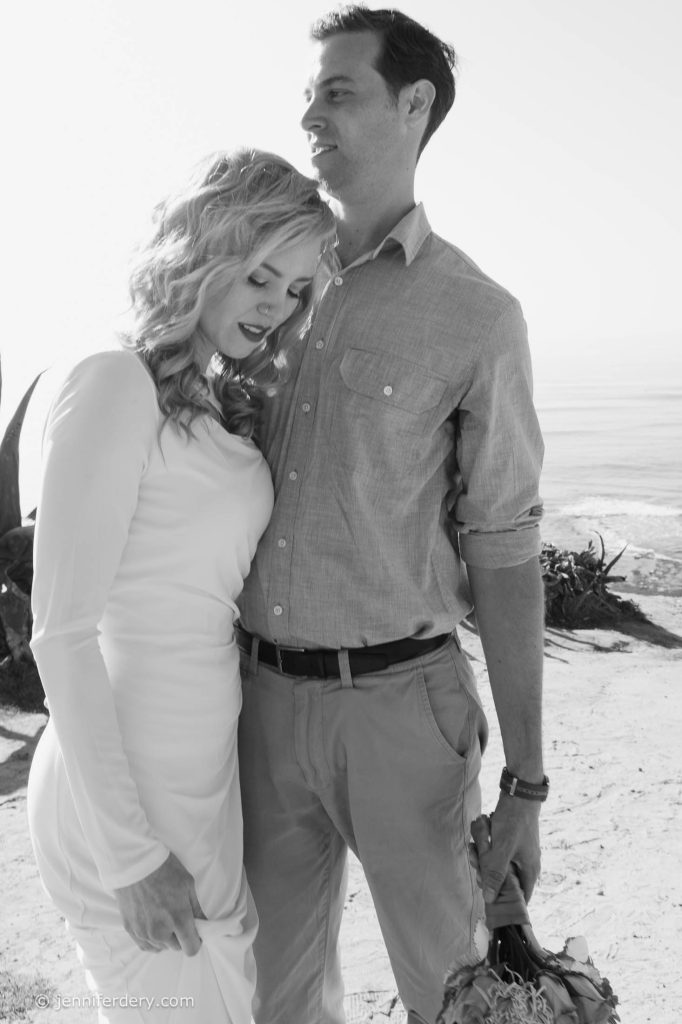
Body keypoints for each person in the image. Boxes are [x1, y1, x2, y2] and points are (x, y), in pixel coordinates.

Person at [236, 8, 546, 1024]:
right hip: (255, 704)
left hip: (404, 712)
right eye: (310, 92)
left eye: (338, 89)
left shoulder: (478, 315)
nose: (309, 113)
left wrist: (527, 784)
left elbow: (503, 550)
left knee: (451, 995)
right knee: (270, 996)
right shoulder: (260, 283)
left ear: (414, 105)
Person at [26, 149, 335, 1024]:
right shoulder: (113, 379)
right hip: (125, 794)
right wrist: (128, 856)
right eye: (258, 276)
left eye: (296, 290)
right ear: (202, 256)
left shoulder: (205, 392)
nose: (276, 307)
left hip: (202, 783)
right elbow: (60, 634)